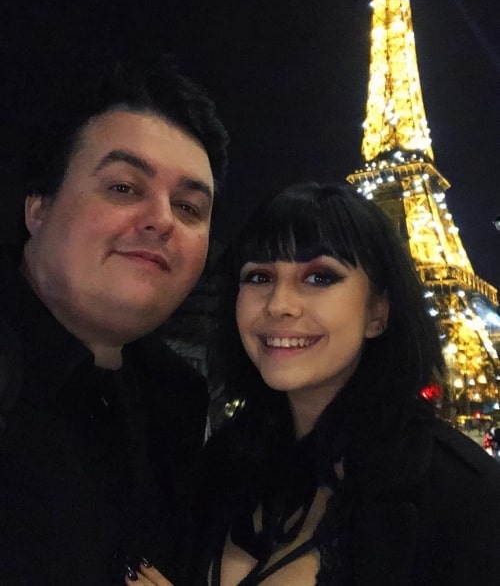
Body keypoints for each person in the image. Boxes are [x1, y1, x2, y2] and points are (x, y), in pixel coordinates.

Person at [126, 181, 500, 586]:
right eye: (258, 277)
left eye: (320, 277)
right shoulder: (217, 466)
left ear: (378, 311)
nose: (279, 305)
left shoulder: (466, 499)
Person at [0, 53, 229, 585]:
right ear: (38, 207)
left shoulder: (177, 402)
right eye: (124, 188)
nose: (162, 220)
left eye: (190, 207)